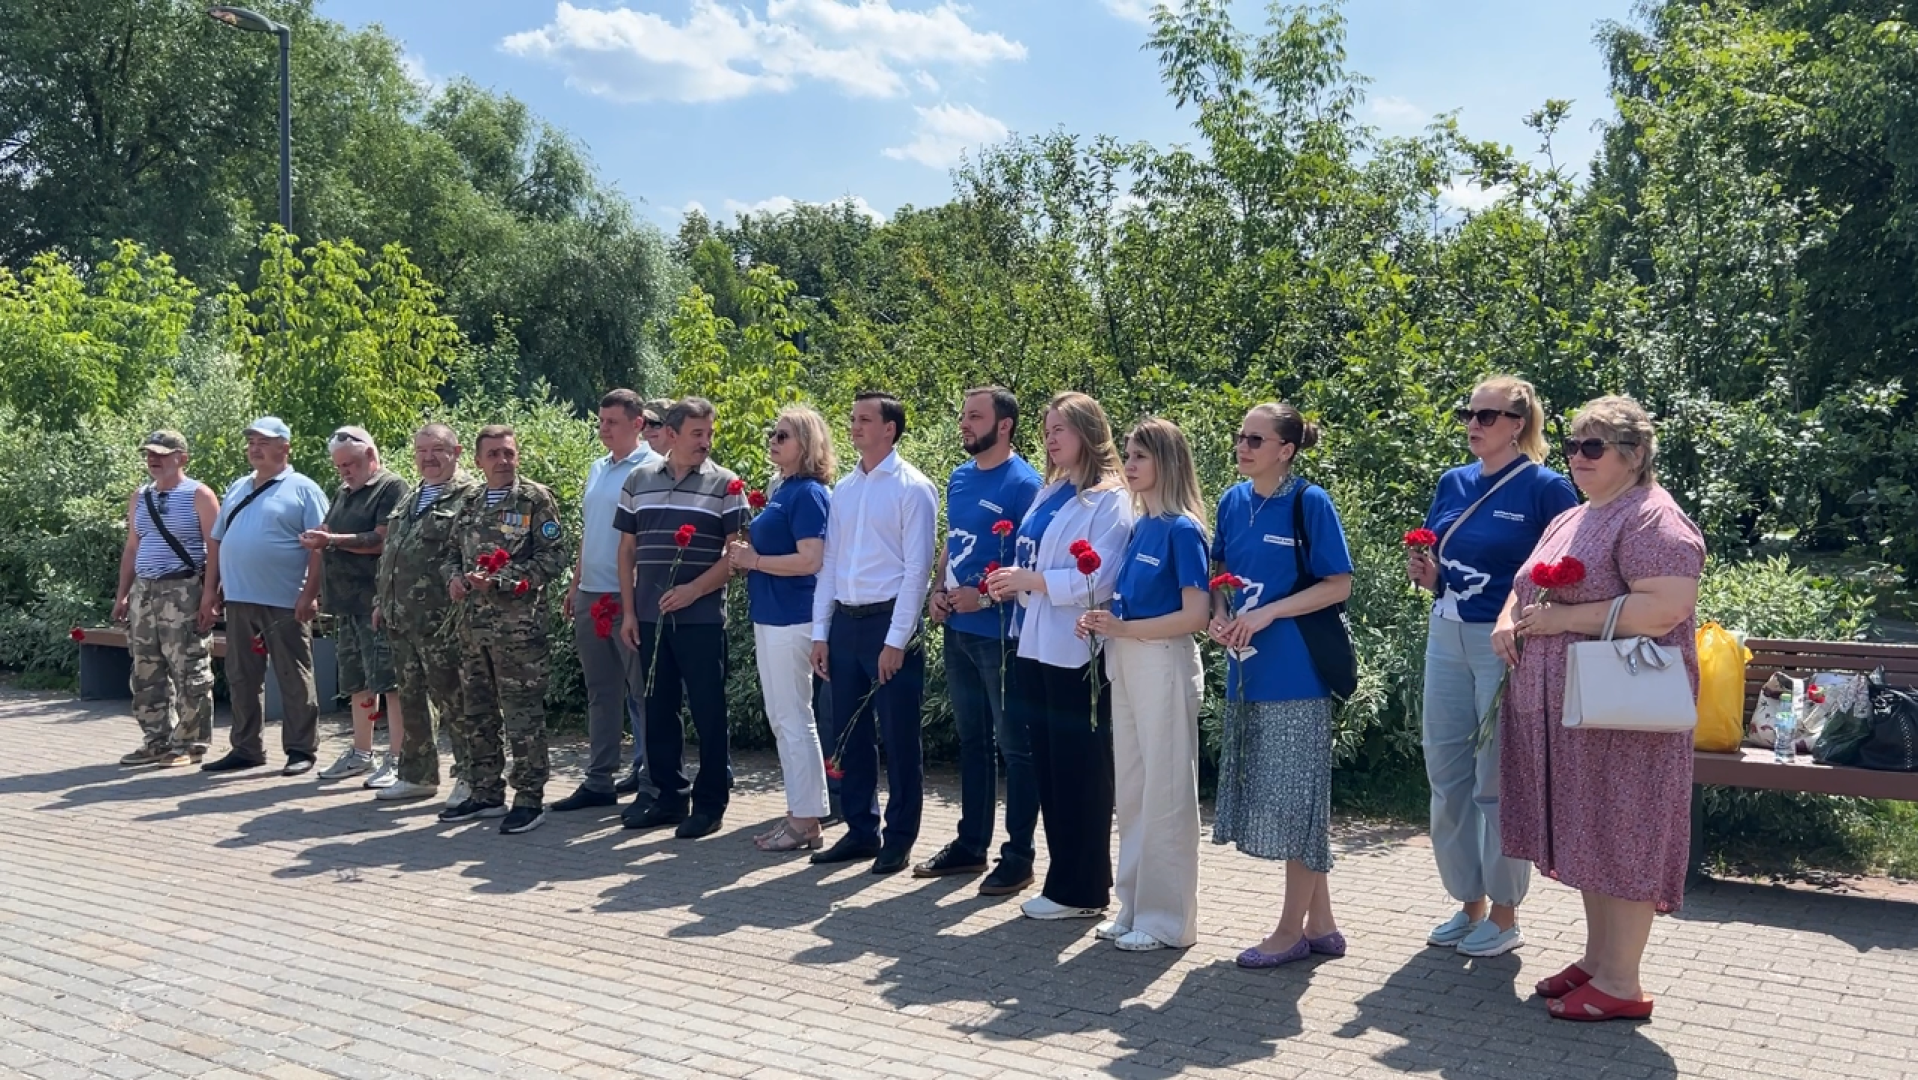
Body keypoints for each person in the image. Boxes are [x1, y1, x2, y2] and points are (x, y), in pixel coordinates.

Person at [1494, 395, 1703, 1022]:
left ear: (1634, 456)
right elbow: (1525, 582)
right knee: (1590, 831)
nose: (1577, 457)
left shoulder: (1652, 517)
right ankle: (1598, 960)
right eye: (1572, 445)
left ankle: (1622, 981)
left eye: (1593, 447)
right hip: (1574, 714)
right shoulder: (1577, 513)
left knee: (1625, 832)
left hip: (1624, 716)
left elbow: (1665, 607)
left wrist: (1564, 620)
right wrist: (1509, 619)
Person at [1408, 377, 1578, 959]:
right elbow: (1444, 561)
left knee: (1495, 777)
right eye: (1468, 414)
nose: (1473, 425)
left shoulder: (1546, 488)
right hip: (1446, 631)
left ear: (1517, 424)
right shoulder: (1453, 482)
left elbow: (1564, 570)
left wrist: (1529, 618)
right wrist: (1428, 574)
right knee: (1446, 771)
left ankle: (1505, 914)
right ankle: (1468, 902)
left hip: (1502, 643)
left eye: (1487, 416)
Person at [1208, 403, 1354, 968]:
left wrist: (1269, 612)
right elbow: (1218, 575)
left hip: (1298, 672)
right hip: (1248, 670)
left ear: (1286, 450)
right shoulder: (1231, 500)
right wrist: (1219, 615)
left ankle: (1290, 932)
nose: (1242, 447)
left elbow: (1338, 585)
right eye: (1240, 436)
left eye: (1255, 439)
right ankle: (1322, 925)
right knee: (1293, 800)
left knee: (1296, 803)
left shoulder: (1309, 502)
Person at [984, 392, 1132, 921]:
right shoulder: (1051, 490)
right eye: (1046, 429)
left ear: (1088, 432)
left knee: (1080, 770)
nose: (1049, 438)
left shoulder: (1111, 499)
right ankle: (1065, 879)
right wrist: (1016, 582)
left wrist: (1034, 581)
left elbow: (1102, 577)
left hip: (1076, 649)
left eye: (1060, 429)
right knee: (1049, 767)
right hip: (1035, 641)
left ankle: (1083, 889)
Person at [1076, 418, 1210, 951]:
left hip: (1162, 661)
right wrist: (1102, 620)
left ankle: (1168, 920)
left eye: (1140, 457)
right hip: (1127, 658)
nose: (1128, 465)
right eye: (1128, 455)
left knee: (1166, 791)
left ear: (1167, 463)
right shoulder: (1140, 526)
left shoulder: (1182, 529)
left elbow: (1196, 615)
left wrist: (1125, 629)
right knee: (1132, 788)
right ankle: (1133, 905)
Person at [807, 392, 939, 875]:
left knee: (899, 737)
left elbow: (917, 570)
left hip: (888, 622)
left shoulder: (913, 488)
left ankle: (899, 838)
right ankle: (861, 829)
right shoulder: (845, 489)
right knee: (849, 734)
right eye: (852, 418)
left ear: (890, 429)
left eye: (865, 419)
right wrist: (820, 632)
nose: (855, 426)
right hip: (846, 622)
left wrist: (896, 641)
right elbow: (831, 563)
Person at [920, 387, 1043, 895]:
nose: (965, 424)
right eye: (963, 416)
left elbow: (1032, 563)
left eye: (975, 416)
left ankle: (1019, 857)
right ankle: (971, 846)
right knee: (972, 742)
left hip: (1001, 635)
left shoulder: (1025, 484)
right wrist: (937, 590)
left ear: (1005, 425)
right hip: (958, 632)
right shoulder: (960, 476)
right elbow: (953, 543)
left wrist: (987, 599)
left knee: (1015, 747)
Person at [615, 398, 751, 838]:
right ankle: (668, 798)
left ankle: (710, 804)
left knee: (709, 712)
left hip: (703, 620)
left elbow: (736, 556)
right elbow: (627, 551)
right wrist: (629, 612)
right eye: (697, 433)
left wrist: (694, 590)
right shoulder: (638, 480)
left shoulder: (726, 484)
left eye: (709, 433)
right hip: (650, 619)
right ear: (671, 435)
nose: (706, 442)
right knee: (658, 710)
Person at [437, 425, 567, 835]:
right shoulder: (469, 501)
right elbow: (449, 554)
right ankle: (485, 792)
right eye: (493, 454)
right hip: (472, 628)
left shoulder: (534, 499)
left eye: (508, 453)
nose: (502, 461)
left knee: (521, 715)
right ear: (478, 461)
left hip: (518, 631)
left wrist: (502, 579)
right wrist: (454, 579)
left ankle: (528, 797)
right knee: (477, 713)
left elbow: (554, 557)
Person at [728, 405, 835, 852]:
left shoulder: (808, 493)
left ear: (806, 444)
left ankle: (805, 819)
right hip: (771, 614)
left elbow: (811, 559)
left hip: (794, 616)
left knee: (794, 717)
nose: (773, 441)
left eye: (783, 435)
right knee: (783, 717)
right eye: (773, 434)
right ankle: (800, 815)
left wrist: (753, 560)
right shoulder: (782, 489)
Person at [199, 417, 330, 776]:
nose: (255, 448)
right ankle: (246, 748)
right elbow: (217, 540)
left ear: (285, 448)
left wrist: (310, 594)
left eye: (264, 442)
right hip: (239, 598)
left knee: (293, 675)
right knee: (241, 675)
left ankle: (301, 749)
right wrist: (210, 591)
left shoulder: (304, 489)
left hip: (285, 600)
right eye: (252, 442)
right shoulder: (238, 487)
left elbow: (320, 547)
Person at [551, 390, 660, 815]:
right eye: (600, 421)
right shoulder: (598, 467)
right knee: (601, 691)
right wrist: (576, 583)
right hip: (592, 593)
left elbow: (648, 537)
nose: (603, 429)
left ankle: (653, 782)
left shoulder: (653, 468)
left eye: (612, 422)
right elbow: (591, 530)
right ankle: (599, 780)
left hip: (629, 597)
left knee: (644, 692)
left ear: (638, 424)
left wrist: (635, 596)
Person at [372, 423, 481, 804]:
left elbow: (471, 555)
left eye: (437, 450)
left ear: (457, 452)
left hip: (444, 621)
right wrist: (381, 602)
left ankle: (472, 777)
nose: (428, 458)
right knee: (411, 699)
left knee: (456, 701)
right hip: (402, 618)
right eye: (421, 451)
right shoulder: (411, 497)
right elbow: (392, 553)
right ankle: (417, 775)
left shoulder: (470, 497)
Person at [305, 427, 408, 786]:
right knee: (357, 681)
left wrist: (331, 540)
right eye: (339, 466)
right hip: (347, 604)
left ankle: (399, 758)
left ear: (371, 456)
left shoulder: (391, 487)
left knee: (390, 682)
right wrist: (321, 535)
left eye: (349, 463)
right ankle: (361, 753)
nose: (344, 471)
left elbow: (382, 540)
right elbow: (332, 532)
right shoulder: (343, 492)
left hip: (377, 602)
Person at [113, 430, 220, 767]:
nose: (153, 459)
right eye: (149, 454)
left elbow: (215, 548)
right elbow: (133, 548)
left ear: (181, 458)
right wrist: (122, 595)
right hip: (144, 591)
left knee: (189, 668)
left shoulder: (199, 495)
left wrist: (210, 596)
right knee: (145, 669)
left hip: (183, 589)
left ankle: (190, 743)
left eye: (161, 454)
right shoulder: (140, 496)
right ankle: (156, 740)